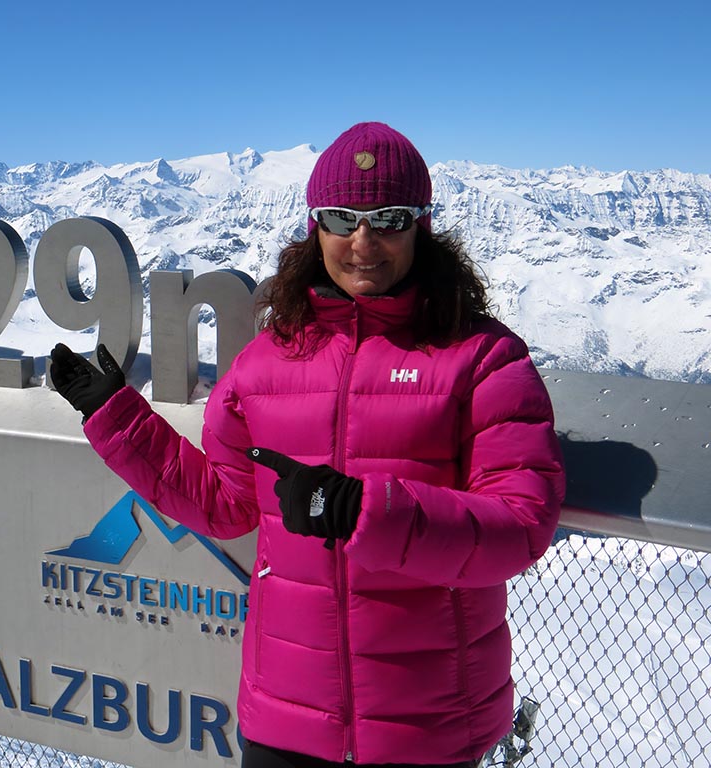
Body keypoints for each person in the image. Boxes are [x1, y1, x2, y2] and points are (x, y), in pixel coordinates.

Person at [49, 122, 565, 768]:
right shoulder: (268, 362)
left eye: (389, 218)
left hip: (429, 728)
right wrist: (118, 418)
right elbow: (228, 503)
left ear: (422, 227)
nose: (363, 241)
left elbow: (521, 524)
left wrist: (366, 512)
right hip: (284, 725)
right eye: (343, 217)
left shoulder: (483, 360)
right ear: (314, 225)